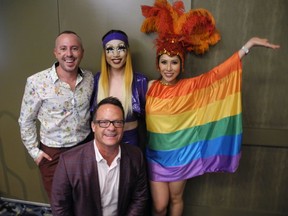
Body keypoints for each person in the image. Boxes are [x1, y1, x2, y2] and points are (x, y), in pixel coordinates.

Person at [140, 0, 280, 215]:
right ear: (157, 64)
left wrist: (247, 46)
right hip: (156, 156)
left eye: (174, 62)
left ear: (182, 65)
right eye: (164, 62)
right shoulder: (149, 87)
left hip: (182, 154)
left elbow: (219, 74)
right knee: (159, 206)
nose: (169, 68)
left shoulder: (192, 87)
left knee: (176, 199)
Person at [18, 30, 94, 199]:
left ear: (82, 52)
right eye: (63, 49)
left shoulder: (89, 78)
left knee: (85, 199)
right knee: (60, 203)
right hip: (53, 154)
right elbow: (26, 120)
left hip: (85, 147)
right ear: (55, 52)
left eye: (74, 48)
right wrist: (35, 152)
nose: (69, 54)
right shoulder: (37, 82)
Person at [51, 97, 148, 216]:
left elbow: (139, 198)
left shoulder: (136, 156)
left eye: (117, 122)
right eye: (104, 122)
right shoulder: (68, 162)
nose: (111, 128)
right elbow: (60, 207)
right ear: (93, 126)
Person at [91, 30, 148, 147]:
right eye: (110, 49)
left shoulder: (140, 81)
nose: (116, 54)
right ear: (104, 54)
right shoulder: (96, 80)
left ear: (127, 52)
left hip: (132, 142)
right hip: (103, 141)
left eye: (121, 48)